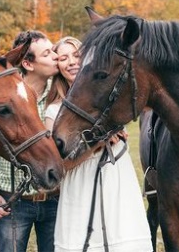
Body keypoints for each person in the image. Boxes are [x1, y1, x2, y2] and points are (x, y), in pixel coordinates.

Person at [45, 37, 153, 252]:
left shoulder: (108, 101)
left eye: (76, 55)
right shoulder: (54, 111)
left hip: (117, 183)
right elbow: (57, 166)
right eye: (64, 58)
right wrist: (95, 145)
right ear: (58, 67)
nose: (72, 62)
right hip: (80, 188)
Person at [0, 30, 60, 252]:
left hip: (55, 200)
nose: (56, 57)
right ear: (28, 64)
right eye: (48, 53)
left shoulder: (60, 96)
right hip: (14, 203)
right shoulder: (5, 97)